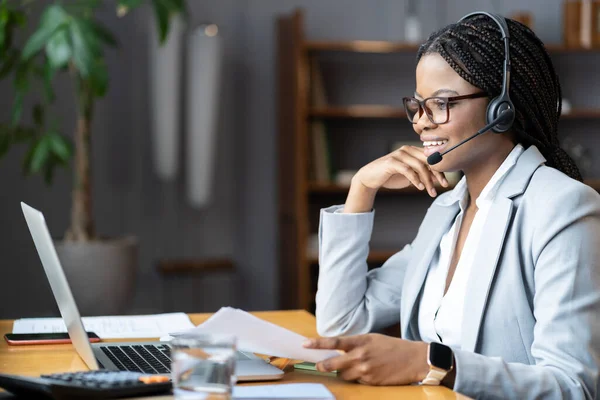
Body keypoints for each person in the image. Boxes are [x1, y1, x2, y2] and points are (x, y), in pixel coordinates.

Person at [302, 12, 600, 400]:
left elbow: (573, 386)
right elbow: (340, 325)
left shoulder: (562, 207)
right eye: (418, 105)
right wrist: (361, 190)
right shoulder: (446, 211)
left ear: (502, 108)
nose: (421, 123)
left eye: (441, 103)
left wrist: (433, 364)